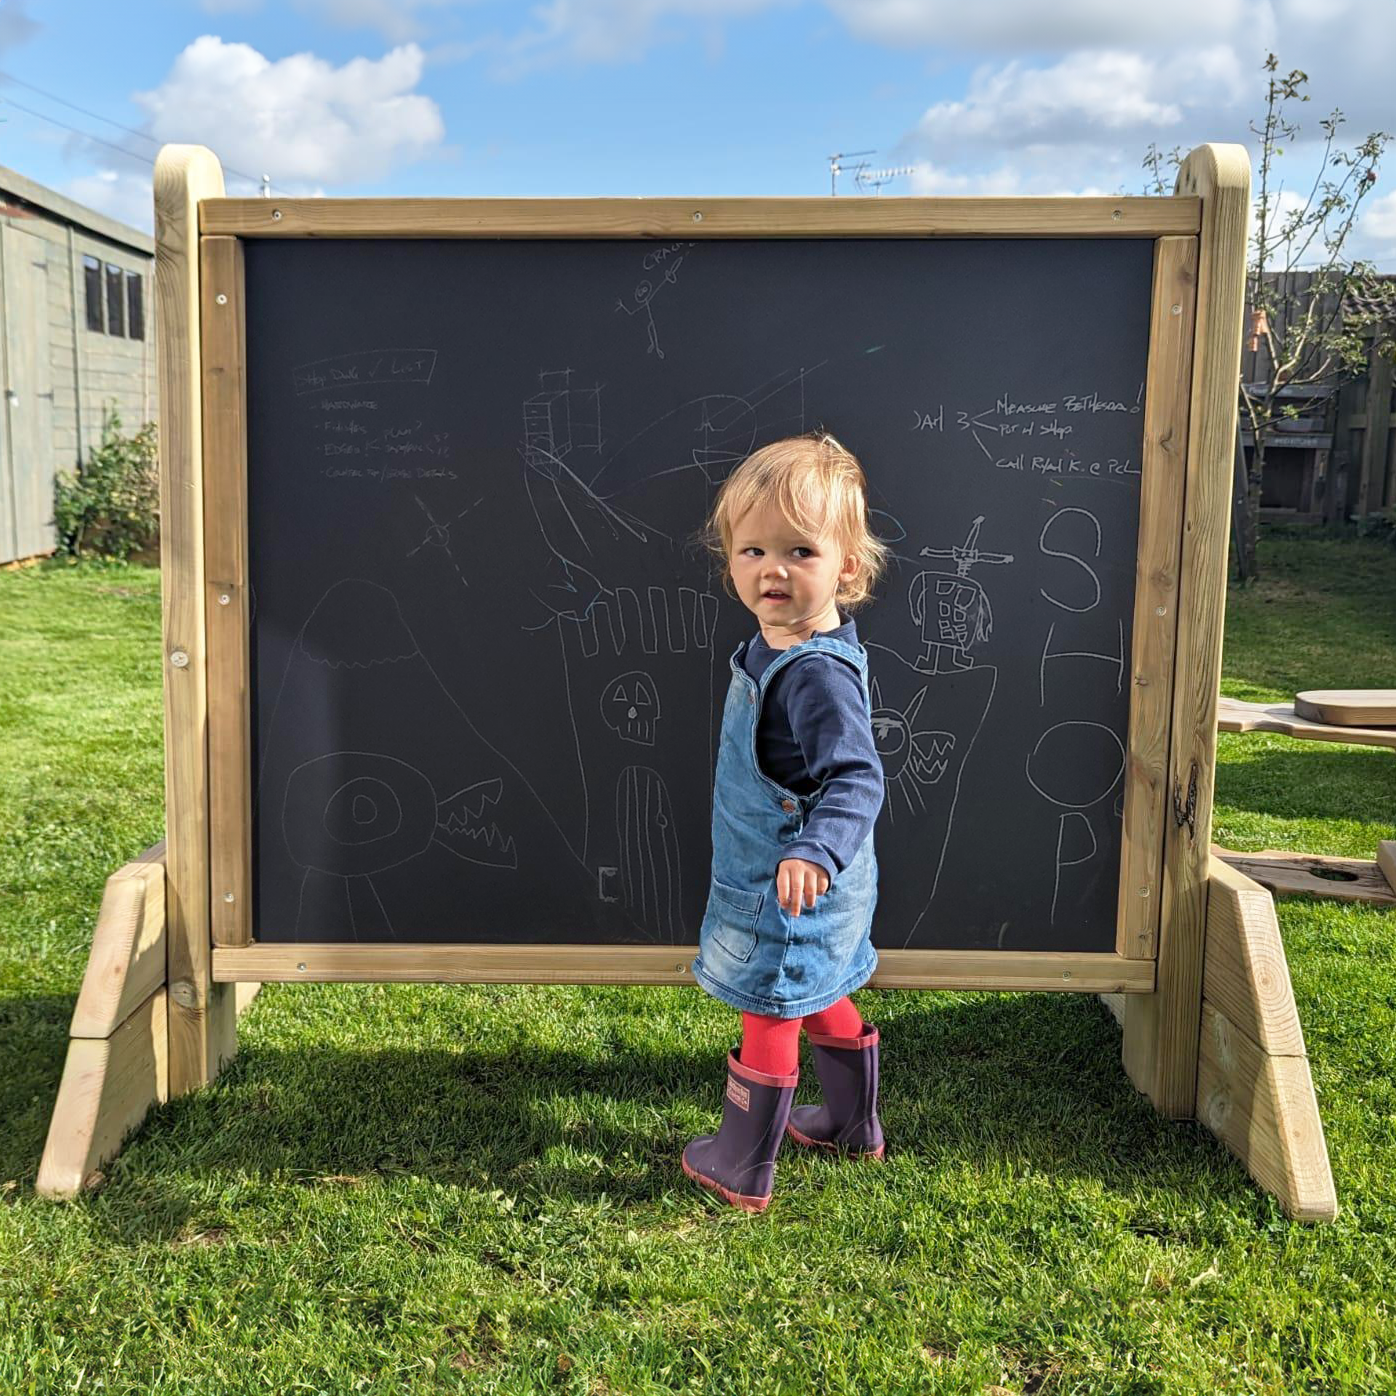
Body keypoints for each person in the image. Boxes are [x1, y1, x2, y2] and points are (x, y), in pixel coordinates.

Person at [683, 431, 889, 1213]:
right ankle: (848, 1121)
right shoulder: (785, 647)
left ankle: (741, 1162)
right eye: (752, 550)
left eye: (800, 551)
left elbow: (857, 777)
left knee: (769, 1001)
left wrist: (815, 848)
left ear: (848, 567)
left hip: (794, 882)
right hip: (812, 886)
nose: (772, 569)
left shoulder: (813, 675)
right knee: (817, 986)